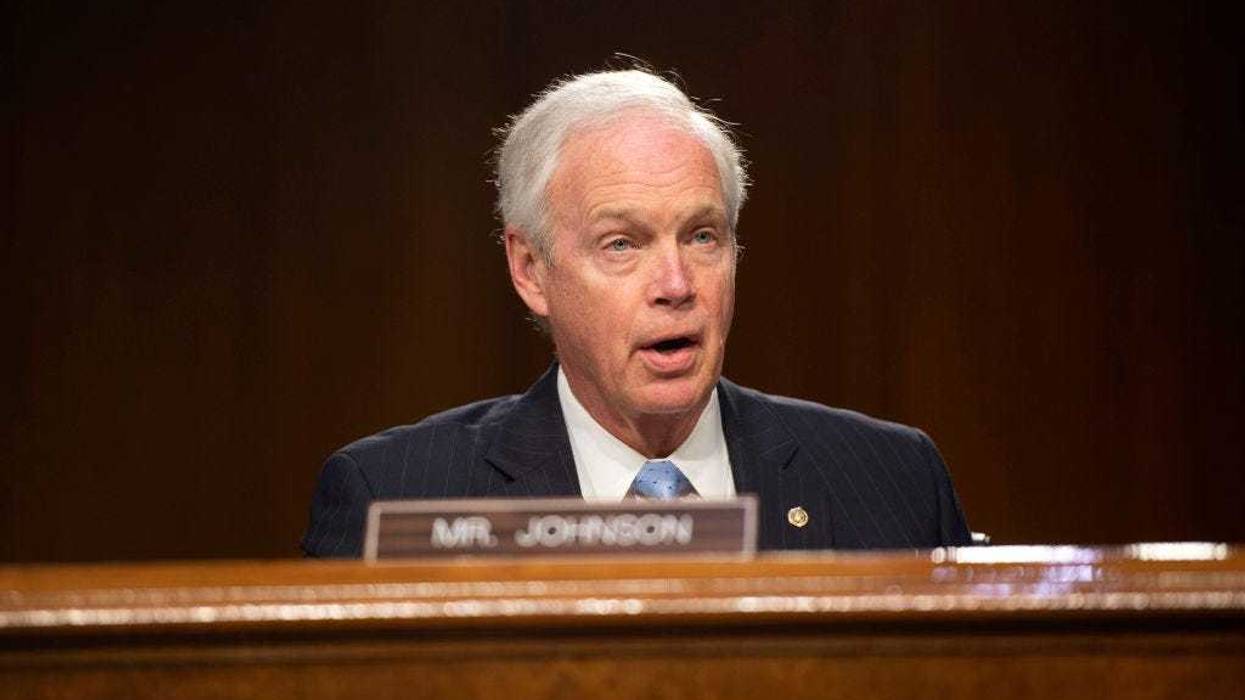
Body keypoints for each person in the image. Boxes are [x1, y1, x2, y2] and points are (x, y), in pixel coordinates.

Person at [301, 69, 971, 557]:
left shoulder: (892, 479)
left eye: (701, 236)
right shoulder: (394, 499)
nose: (676, 284)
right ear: (529, 269)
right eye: (621, 244)